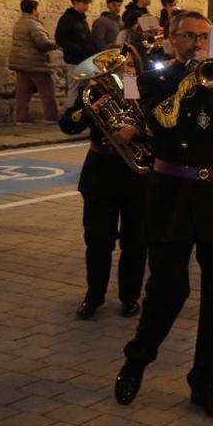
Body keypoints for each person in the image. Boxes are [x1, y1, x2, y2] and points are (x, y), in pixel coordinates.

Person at [113, 11, 213, 418]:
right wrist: (191, 79)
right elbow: (157, 122)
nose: (199, 44)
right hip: (172, 197)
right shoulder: (155, 80)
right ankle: (136, 360)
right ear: (172, 40)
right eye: (190, 37)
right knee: (166, 292)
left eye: (205, 37)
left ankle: (204, 382)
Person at [59, 48, 148, 320]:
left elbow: (156, 122)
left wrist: (137, 130)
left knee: (135, 242)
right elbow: (67, 124)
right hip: (100, 176)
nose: (126, 71)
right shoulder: (94, 92)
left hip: (136, 176)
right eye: (122, 66)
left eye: (131, 65)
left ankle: (129, 296)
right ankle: (93, 296)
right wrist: (88, 111)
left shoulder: (140, 90)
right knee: (98, 240)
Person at [9, 0, 60, 122]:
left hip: (20, 63)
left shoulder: (19, 23)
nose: (38, 12)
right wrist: (57, 44)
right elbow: (42, 43)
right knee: (47, 90)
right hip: (34, 62)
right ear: (33, 9)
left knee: (23, 93)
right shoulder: (33, 24)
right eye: (37, 9)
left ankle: (21, 118)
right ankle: (51, 117)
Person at [56, 0, 98, 104]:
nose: (86, 6)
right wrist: (80, 50)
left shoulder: (81, 19)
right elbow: (61, 39)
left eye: (87, 3)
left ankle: (81, 115)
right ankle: (70, 116)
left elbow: (87, 38)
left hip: (85, 60)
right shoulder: (67, 19)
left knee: (84, 90)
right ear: (75, 2)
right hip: (74, 60)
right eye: (84, 3)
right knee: (74, 89)